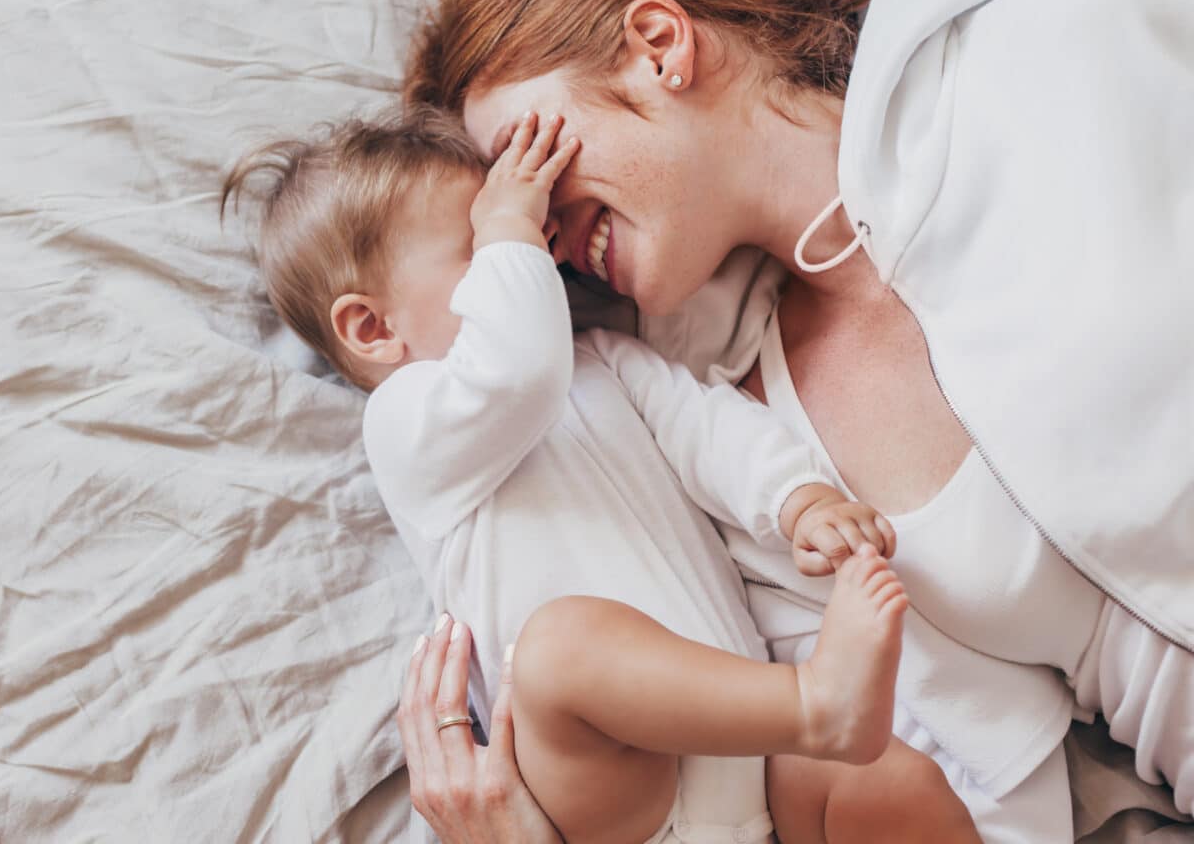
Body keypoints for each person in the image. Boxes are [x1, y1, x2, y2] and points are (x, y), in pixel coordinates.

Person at [399, 0, 1194, 840]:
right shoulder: (766, 470)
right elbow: (926, 798)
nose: (538, 237)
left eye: (532, 165)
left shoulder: (1035, 42)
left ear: (660, 44)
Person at [225, 107, 980, 843]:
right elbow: (517, 371)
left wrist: (795, 498)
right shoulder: (407, 420)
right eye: (477, 242)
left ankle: (821, 721)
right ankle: (819, 702)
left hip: (745, 760)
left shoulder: (604, 362)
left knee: (896, 784)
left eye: (525, 232)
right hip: (609, 792)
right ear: (374, 330)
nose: (533, 250)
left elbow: (704, 427)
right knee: (557, 649)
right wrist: (508, 228)